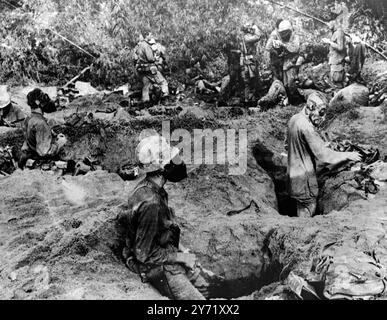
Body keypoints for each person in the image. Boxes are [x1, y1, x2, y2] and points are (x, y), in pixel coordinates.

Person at [117, 135, 219, 300]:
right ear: (161, 168)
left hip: (163, 253)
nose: (178, 163)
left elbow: (161, 230)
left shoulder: (152, 189)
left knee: (208, 286)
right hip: (154, 266)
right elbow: (144, 255)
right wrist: (181, 257)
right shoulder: (151, 203)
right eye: (172, 160)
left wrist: (182, 251)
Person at [287, 92, 362, 218]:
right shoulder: (307, 127)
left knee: (300, 205)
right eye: (321, 112)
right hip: (304, 179)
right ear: (311, 107)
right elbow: (324, 156)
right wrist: (348, 155)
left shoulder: (294, 119)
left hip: (292, 175)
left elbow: (288, 145)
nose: (323, 117)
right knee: (307, 207)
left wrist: (316, 145)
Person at [19, 88, 67, 169]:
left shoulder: (28, 119)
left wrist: (52, 134)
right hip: (39, 158)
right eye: (43, 100)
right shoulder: (41, 123)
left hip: (30, 152)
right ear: (37, 102)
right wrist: (59, 143)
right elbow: (43, 152)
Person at [223, 24, 261, 106]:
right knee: (251, 81)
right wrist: (255, 27)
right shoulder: (247, 38)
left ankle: (247, 99)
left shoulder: (242, 37)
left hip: (244, 62)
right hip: (249, 62)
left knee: (247, 82)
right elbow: (258, 36)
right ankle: (250, 100)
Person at [134, 35, 169, 106]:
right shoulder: (146, 46)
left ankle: (145, 102)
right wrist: (155, 58)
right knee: (163, 82)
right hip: (150, 69)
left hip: (141, 70)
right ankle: (165, 99)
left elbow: (135, 59)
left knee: (146, 85)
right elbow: (150, 58)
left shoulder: (138, 47)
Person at [266, 20, 300, 90]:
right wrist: (276, 49)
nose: (283, 34)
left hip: (292, 61)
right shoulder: (275, 34)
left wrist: (283, 45)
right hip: (279, 60)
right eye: (282, 32)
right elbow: (268, 47)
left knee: (291, 82)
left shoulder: (295, 35)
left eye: (285, 32)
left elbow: (295, 49)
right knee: (281, 81)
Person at [322, 21, 347, 88]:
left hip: (337, 61)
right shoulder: (336, 32)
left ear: (333, 23)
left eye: (329, 25)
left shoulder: (339, 33)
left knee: (337, 80)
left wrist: (329, 42)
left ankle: (339, 95)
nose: (328, 27)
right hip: (334, 60)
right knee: (334, 80)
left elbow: (340, 47)